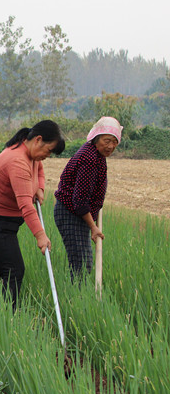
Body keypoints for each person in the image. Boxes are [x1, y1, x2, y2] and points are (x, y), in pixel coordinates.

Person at [0, 120, 65, 309]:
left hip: (6, 220)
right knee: (14, 270)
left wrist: (40, 187)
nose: (47, 156)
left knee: (3, 269)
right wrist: (40, 236)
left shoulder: (30, 152)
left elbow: (39, 168)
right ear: (38, 140)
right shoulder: (17, 161)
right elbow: (26, 206)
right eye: (48, 151)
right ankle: (8, 317)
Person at [54, 117, 122, 281]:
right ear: (96, 138)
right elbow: (80, 200)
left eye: (114, 142)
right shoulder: (89, 159)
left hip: (79, 214)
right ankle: (76, 300)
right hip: (71, 213)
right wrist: (93, 227)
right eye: (107, 141)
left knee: (84, 264)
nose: (110, 146)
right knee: (81, 265)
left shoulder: (97, 155)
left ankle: (79, 298)